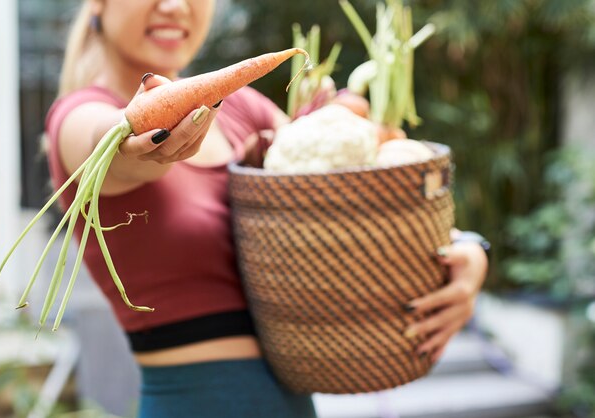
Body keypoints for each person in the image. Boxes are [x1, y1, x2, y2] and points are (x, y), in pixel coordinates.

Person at [45, 1, 490, 417]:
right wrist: (135, 135)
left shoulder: (241, 106)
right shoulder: (78, 115)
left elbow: (348, 201)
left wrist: (463, 250)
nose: (176, 6)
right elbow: (113, 144)